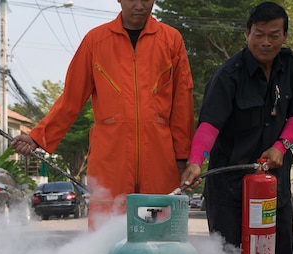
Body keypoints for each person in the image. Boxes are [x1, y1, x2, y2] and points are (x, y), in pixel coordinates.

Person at [180, 2, 293, 254]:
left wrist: (281, 146)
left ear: (284, 36)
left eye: (274, 35)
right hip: (229, 180)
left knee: (277, 246)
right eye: (259, 35)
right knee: (223, 250)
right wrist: (196, 161)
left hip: (271, 181)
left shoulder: (292, 66)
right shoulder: (229, 74)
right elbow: (209, 125)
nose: (266, 42)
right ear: (247, 34)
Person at [11, 0, 194, 230]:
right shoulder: (95, 41)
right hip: (110, 166)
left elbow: (182, 105)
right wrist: (38, 137)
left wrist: (183, 160)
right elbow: (70, 98)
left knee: (156, 239)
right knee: (107, 244)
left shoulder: (171, 40)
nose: (139, 5)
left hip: (160, 164)